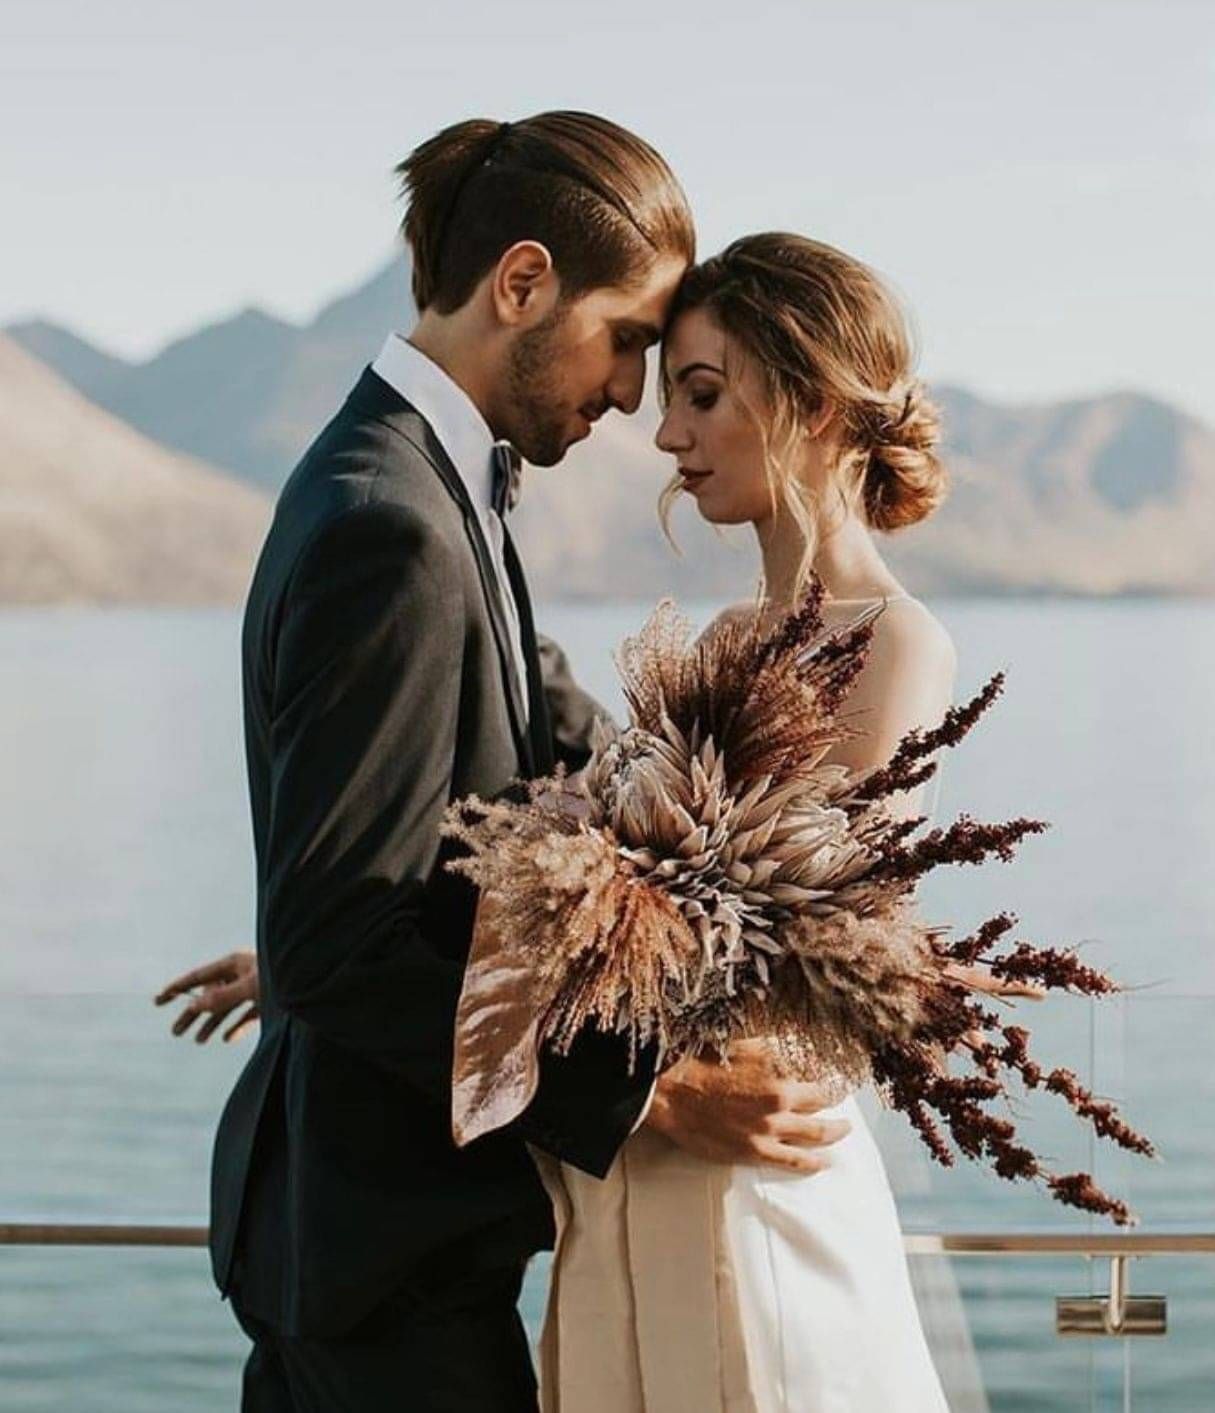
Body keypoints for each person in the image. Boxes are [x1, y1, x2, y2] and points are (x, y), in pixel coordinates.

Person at [166, 116, 851, 1413]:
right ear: (522, 284)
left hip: (378, 1248)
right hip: (377, 1269)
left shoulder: (430, 487)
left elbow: (550, 758)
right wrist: (644, 1102)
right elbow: (338, 945)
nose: (632, 396)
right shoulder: (392, 524)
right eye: (630, 339)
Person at [527, 232, 974, 1411]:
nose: (668, 436)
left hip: (759, 1167)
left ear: (817, 403)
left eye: (703, 395)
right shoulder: (718, 641)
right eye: (672, 397)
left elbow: (811, 948)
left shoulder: (898, 644)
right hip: (638, 1170)